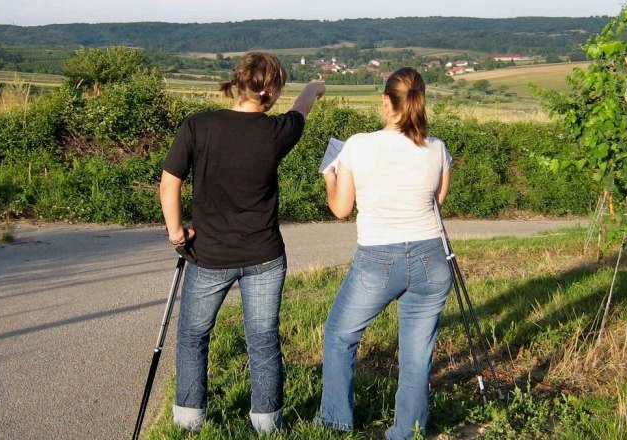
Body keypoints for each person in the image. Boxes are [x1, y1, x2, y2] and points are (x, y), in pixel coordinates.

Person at [159, 51, 325, 434]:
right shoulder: (277, 132)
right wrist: (315, 87)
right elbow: (301, 109)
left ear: (237, 82)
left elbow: (170, 183)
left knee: (192, 336)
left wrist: (176, 232)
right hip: (265, 255)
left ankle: (189, 420)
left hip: (209, 255)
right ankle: (266, 422)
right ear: (272, 90)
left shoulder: (197, 126)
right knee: (263, 338)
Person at [315, 67, 452, 440]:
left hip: (378, 259)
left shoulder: (357, 144)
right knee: (416, 353)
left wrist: (330, 175)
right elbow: (437, 200)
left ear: (385, 99)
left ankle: (335, 421)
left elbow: (341, 209)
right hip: (431, 258)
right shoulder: (437, 147)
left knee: (340, 335)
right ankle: (407, 432)